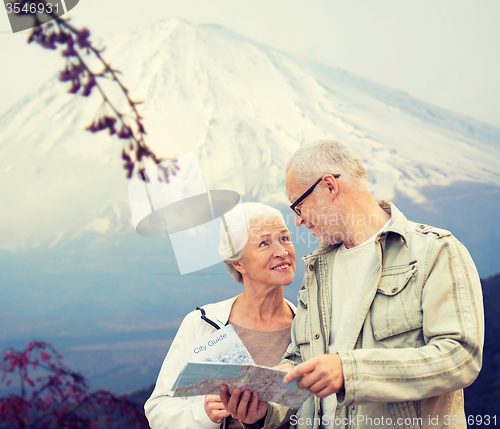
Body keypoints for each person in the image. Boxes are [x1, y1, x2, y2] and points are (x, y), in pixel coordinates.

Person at [221, 140, 484, 429]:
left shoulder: (435, 251)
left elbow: (460, 356)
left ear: (330, 187)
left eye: (298, 205)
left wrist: (350, 372)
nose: (298, 221)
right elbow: (300, 362)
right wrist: (264, 410)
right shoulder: (317, 269)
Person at [145, 202, 297, 429]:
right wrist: (204, 414)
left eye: (284, 238)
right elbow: (158, 410)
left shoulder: (309, 327)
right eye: (264, 243)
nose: (282, 252)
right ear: (238, 262)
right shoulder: (202, 324)